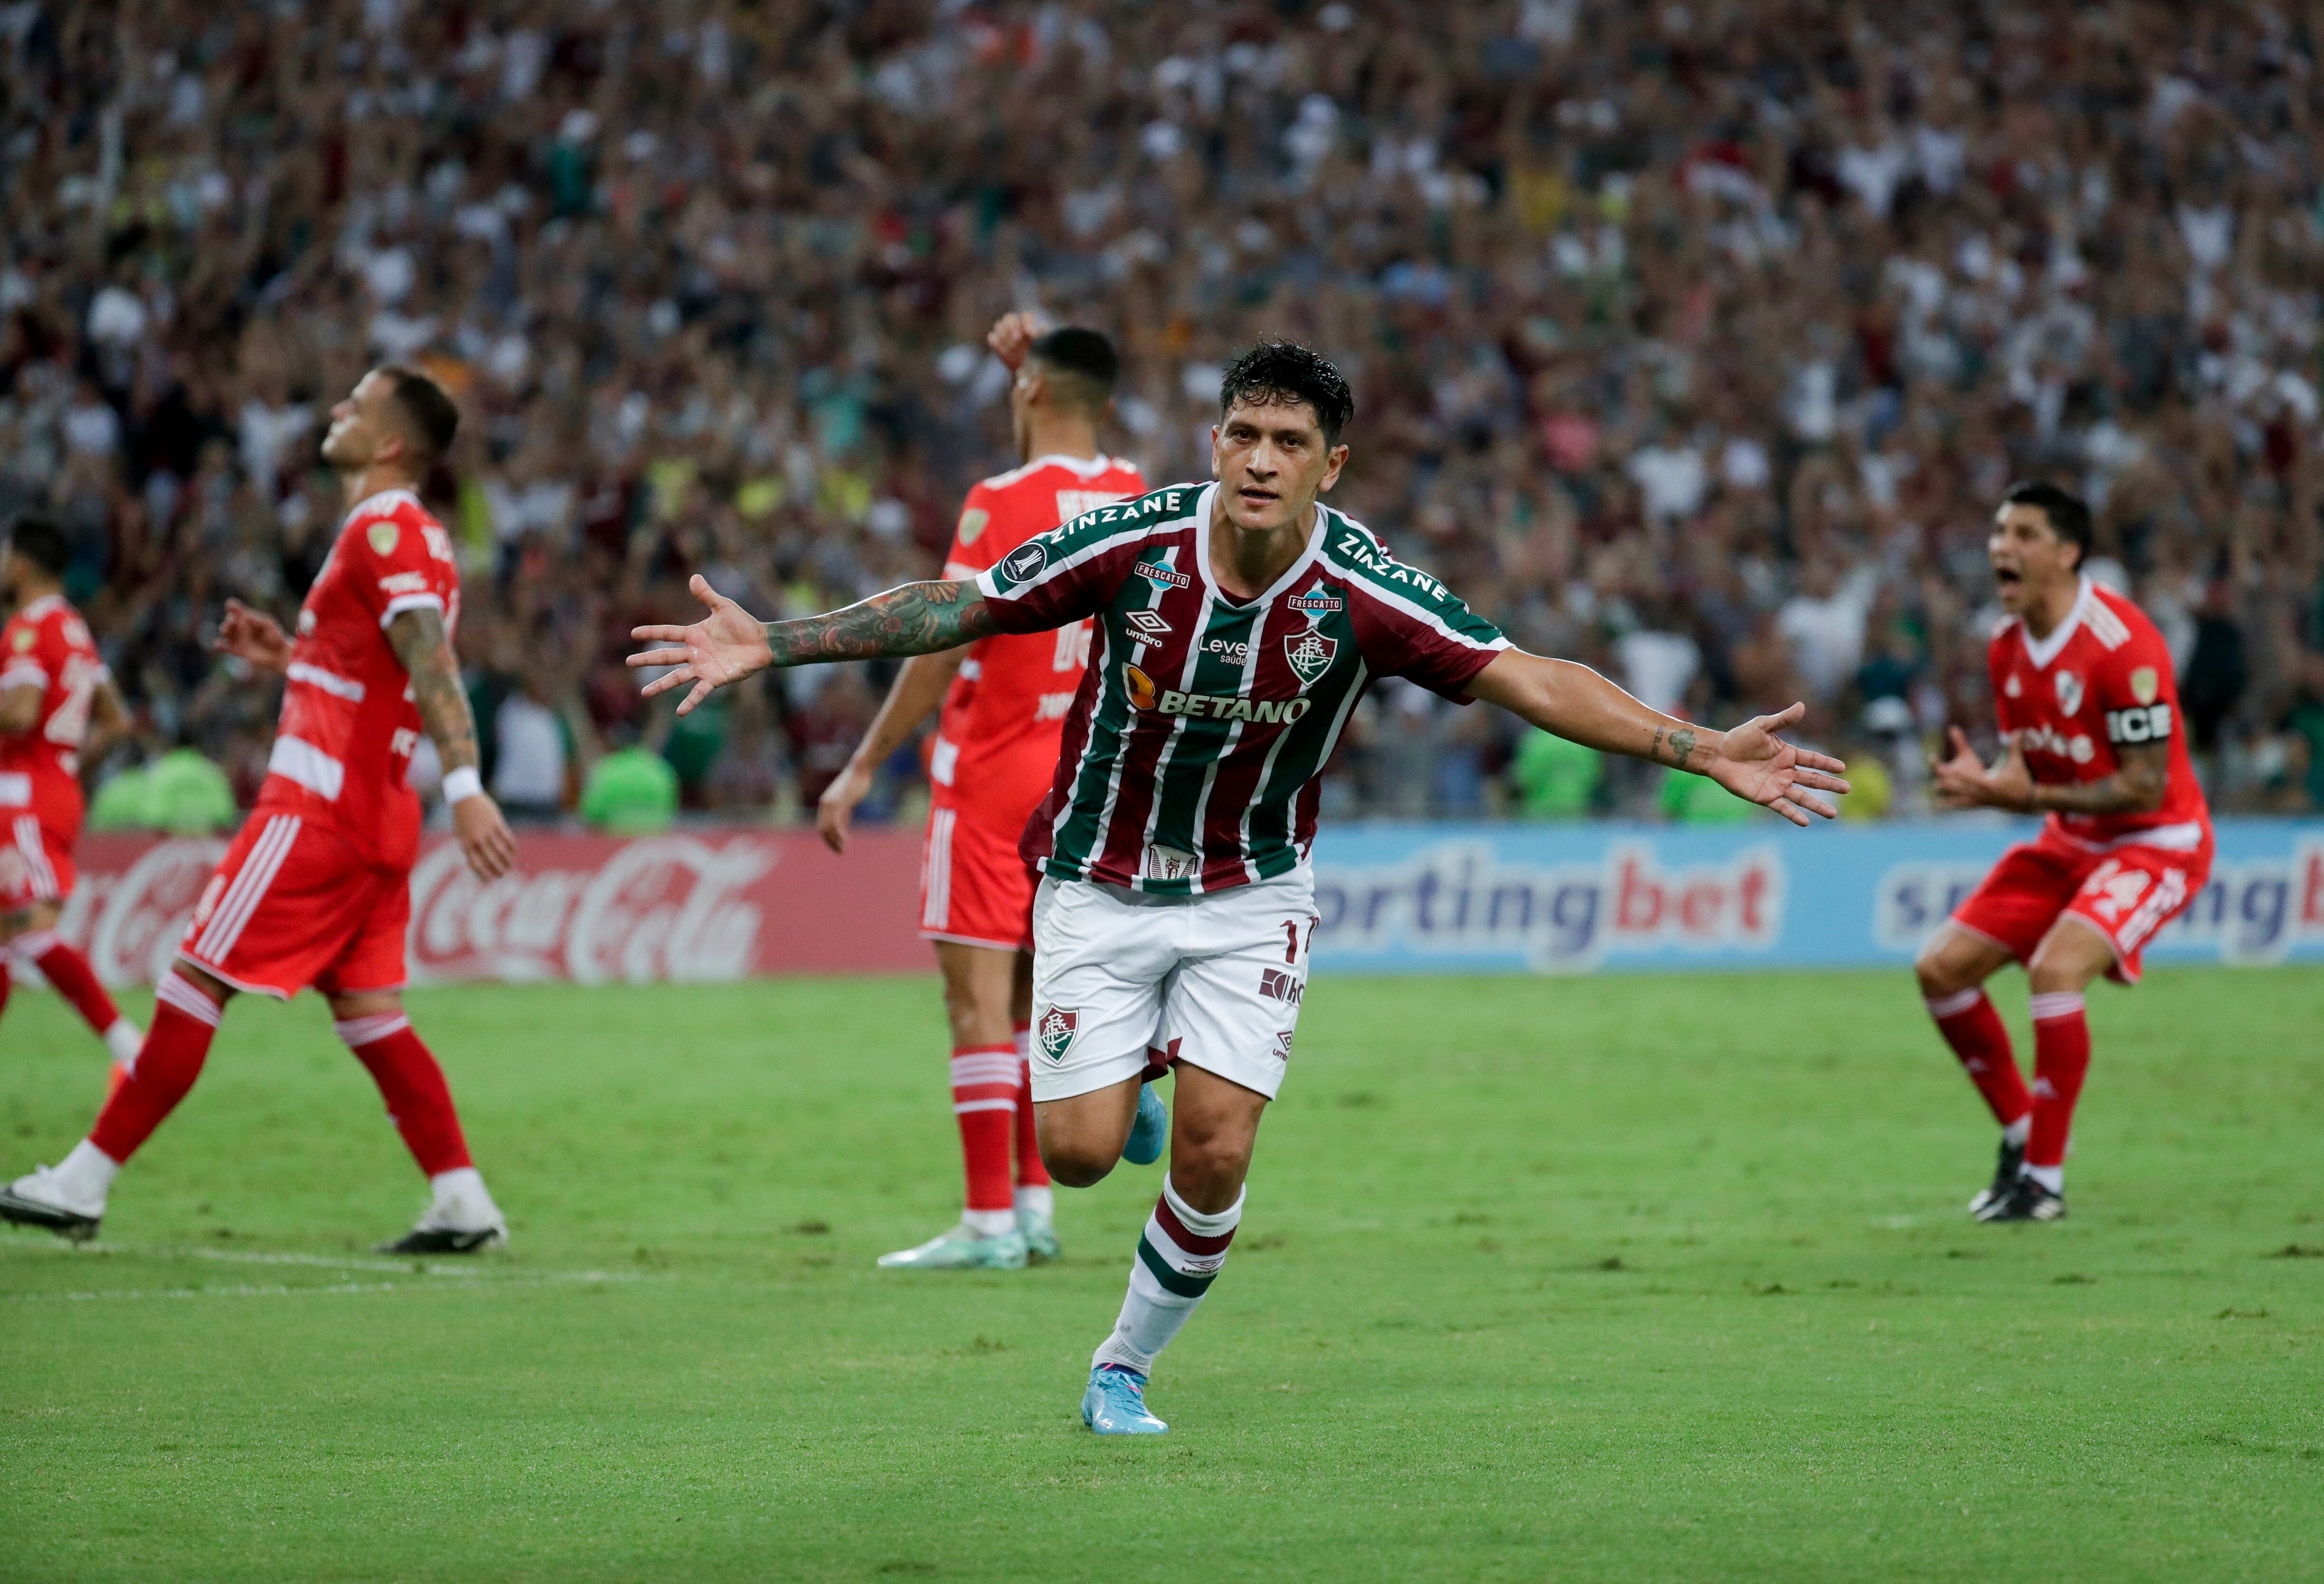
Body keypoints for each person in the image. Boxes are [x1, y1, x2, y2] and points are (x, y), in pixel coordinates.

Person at [631, 341, 1847, 1434]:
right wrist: (775, 642)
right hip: (1097, 883)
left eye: (1289, 444)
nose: (1260, 462)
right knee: (1077, 1157)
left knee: (1216, 1152)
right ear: (1214, 443)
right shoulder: (1134, 546)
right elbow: (965, 604)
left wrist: (1698, 746)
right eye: (1243, 436)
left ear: (1332, 467)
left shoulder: (1362, 590)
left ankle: (1122, 1368)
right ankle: (1136, 1076)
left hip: (1250, 894)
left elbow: (1528, 678)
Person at [0, 367, 520, 1253]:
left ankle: (83, 1181)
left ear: (391, 443)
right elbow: (382, 673)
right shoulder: (410, 534)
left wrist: (468, 786)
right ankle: (463, 1198)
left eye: (354, 405)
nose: (335, 410)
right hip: (376, 813)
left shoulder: (386, 525)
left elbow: (431, 660)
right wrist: (298, 658)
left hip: (317, 809)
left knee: (195, 977)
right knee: (372, 1015)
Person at [816, 313, 1148, 1272]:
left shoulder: (996, 499)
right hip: (1083, 777)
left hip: (994, 770)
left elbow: (944, 637)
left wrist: (865, 762)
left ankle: (987, 1222)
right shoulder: (1135, 491)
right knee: (1037, 997)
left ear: (1029, 392)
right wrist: (1037, 371)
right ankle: (1035, 1208)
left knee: (976, 1001)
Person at [1917, 481, 2214, 1224]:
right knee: (1941, 971)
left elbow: (2145, 789)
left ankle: (2044, 1183)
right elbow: (2033, 763)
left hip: (2157, 843)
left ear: (2068, 551)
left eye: (2022, 534)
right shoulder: (2005, 646)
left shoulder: (2124, 646)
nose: (2000, 548)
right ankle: (2023, 1136)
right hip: (2067, 840)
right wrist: (1996, 784)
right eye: (1997, 532)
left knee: (2055, 968)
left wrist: (2024, 799)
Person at [0, 516, 143, 1082]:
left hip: (24, 796)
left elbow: (21, 712)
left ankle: (128, 1044)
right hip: (52, 788)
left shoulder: (29, 630)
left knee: (30, 929)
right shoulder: (76, 631)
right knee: (7, 936)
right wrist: (68, 765)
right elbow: (117, 720)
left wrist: (48, 766)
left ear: (24, 564)